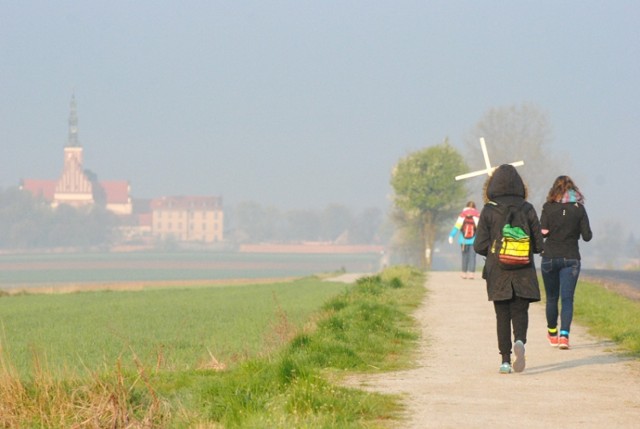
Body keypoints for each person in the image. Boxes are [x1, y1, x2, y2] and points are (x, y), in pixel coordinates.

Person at [473, 164, 544, 374]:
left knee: (502, 315)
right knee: (520, 311)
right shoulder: (528, 208)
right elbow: (539, 245)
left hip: (498, 272)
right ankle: (520, 341)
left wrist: (495, 252)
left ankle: (505, 360)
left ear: (492, 186)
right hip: (523, 269)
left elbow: (478, 245)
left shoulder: (488, 210)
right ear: (520, 185)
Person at [540, 175, 593, 350]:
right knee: (568, 299)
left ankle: (552, 332)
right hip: (571, 258)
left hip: (550, 257)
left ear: (554, 190)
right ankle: (564, 336)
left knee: (552, 298)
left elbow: (543, 232)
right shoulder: (579, 209)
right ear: (573, 189)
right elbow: (587, 237)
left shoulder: (548, 207)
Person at [448, 201, 480, 279]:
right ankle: (471, 273)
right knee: (472, 256)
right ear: (474, 207)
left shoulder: (462, 215)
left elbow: (457, 227)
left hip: (463, 240)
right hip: (474, 240)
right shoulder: (477, 215)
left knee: (464, 256)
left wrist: (451, 236)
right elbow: (481, 229)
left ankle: (464, 273)